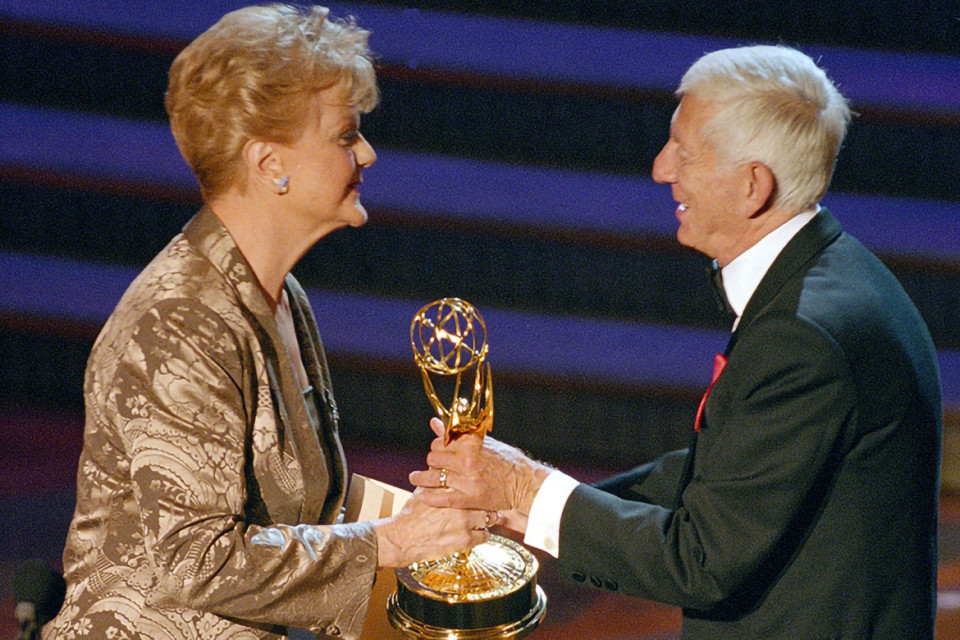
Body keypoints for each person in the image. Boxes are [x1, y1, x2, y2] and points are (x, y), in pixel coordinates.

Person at [411, 45, 943, 639]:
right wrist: (521, 498)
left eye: (683, 152)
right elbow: (733, 470)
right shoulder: (834, 276)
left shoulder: (803, 334)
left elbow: (701, 561)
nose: (662, 169)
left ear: (752, 187)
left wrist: (531, 493)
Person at [43, 5, 493, 639]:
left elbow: (295, 507)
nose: (366, 151)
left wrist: (428, 514)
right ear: (267, 163)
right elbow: (195, 562)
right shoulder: (178, 323)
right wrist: (389, 542)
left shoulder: (280, 298)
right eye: (344, 135)